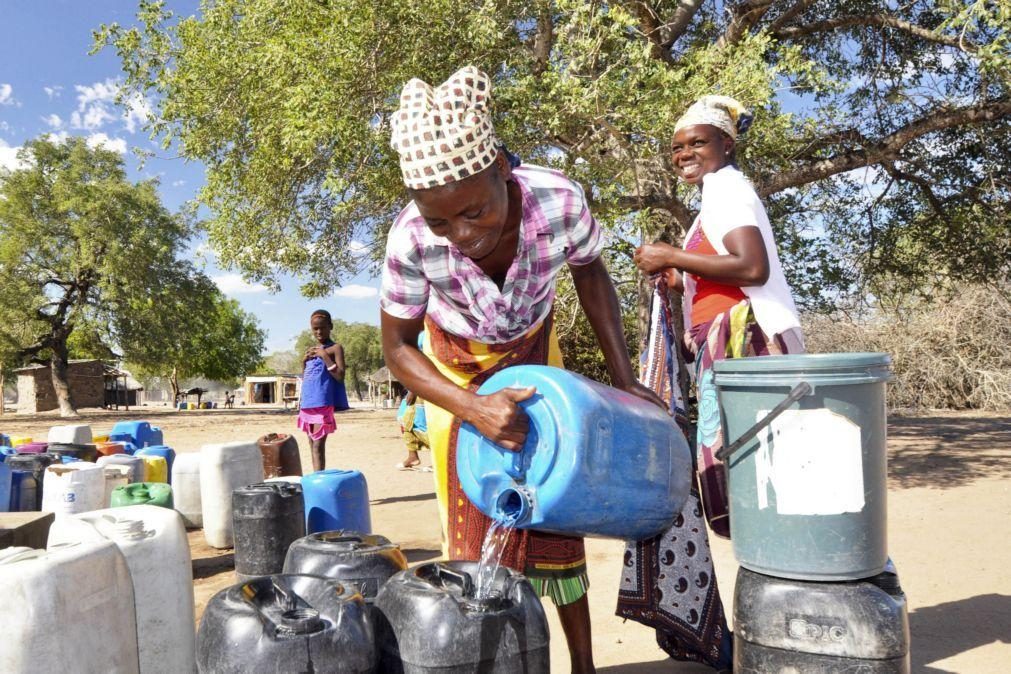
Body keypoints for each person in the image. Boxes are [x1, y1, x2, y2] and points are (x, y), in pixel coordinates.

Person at [380, 66, 664, 674]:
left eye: (474, 212)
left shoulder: (558, 200)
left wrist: (624, 375)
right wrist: (472, 407)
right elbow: (399, 349)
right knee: (475, 524)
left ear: (503, 168)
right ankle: (497, 661)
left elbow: (591, 274)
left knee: (558, 506)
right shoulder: (407, 240)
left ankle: (582, 665)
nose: (461, 235)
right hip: (453, 373)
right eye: (440, 223)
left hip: (535, 357)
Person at [622, 95, 805, 669]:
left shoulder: (728, 188)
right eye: (677, 147)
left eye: (697, 142)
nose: (685, 153)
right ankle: (773, 622)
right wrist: (681, 279)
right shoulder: (711, 203)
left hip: (749, 346)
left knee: (760, 487)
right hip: (725, 348)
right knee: (748, 488)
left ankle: (786, 620)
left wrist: (674, 254)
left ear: (727, 144)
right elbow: (721, 273)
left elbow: (752, 268)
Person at [298, 309, 351, 471]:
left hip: (323, 403)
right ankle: (316, 476)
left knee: (318, 444)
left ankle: (319, 480)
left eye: (322, 327)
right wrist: (304, 361)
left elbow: (340, 376)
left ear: (330, 327)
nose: (319, 331)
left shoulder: (335, 348)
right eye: (315, 329)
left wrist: (325, 356)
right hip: (307, 403)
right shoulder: (312, 350)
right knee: (311, 443)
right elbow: (308, 376)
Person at [395, 390, 430, 470]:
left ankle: (440, 461)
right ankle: (412, 457)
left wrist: (413, 391)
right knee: (404, 420)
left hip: (422, 390)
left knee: (422, 426)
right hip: (414, 390)